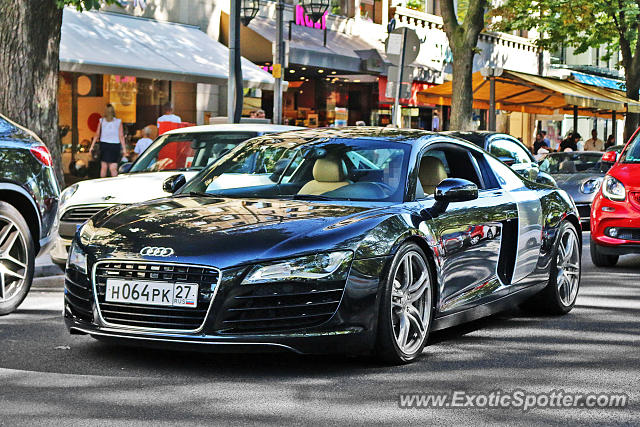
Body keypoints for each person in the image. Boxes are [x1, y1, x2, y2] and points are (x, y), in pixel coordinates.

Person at [90, 104, 127, 178]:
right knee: (113, 168)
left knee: (103, 168)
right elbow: (121, 136)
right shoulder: (118, 121)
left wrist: (92, 146)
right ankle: (115, 185)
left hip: (104, 145)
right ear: (113, 111)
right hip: (115, 145)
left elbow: (97, 134)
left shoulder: (102, 121)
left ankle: (102, 185)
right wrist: (124, 149)